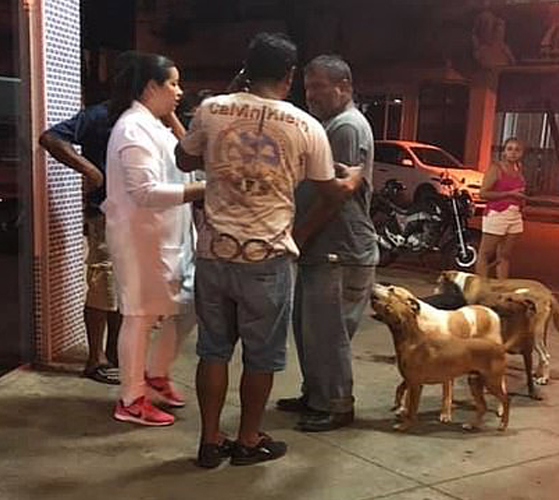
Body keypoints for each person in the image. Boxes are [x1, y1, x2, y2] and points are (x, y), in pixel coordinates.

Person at [176, 33, 361, 468]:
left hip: (215, 253)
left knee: (213, 350)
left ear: (246, 69)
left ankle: (209, 442)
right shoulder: (305, 125)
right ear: (289, 76)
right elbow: (330, 192)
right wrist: (353, 179)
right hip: (267, 257)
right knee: (261, 357)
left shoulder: (211, 109)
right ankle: (247, 440)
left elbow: (184, 160)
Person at [275, 55, 377, 432]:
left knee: (329, 333)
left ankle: (336, 403)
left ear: (344, 86)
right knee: (310, 329)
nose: (311, 95)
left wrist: (299, 236)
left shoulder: (346, 127)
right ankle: (316, 395)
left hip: (340, 249)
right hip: (322, 249)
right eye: (308, 88)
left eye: (319, 87)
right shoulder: (328, 125)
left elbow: (334, 197)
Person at [104, 52, 204, 427]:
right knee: (140, 316)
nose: (179, 91)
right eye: (172, 83)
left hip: (169, 238)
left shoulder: (156, 126)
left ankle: (155, 374)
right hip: (140, 241)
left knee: (188, 306)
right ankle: (131, 398)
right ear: (150, 87)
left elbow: (184, 158)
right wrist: (202, 190)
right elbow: (144, 192)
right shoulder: (132, 129)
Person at [37, 52, 138, 385]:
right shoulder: (100, 115)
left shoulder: (143, 120)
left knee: (123, 291)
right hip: (105, 215)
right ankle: (94, 360)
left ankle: (113, 352)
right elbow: (51, 137)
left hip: (137, 217)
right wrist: (91, 171)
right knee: (102, 287)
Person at [476, 137, 526, 279]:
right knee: (486, 253)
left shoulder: (519, 168)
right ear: (504, 152)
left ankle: (502, 286)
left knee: (504, 255)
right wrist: (509, 194)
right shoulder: (496, 169)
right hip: (497, 213)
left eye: (517, 150)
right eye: (509, 149)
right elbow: (483, 193)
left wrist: (522, 202)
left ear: (522, 153)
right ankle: (481, 285)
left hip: (515, 215)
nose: (513, 153)